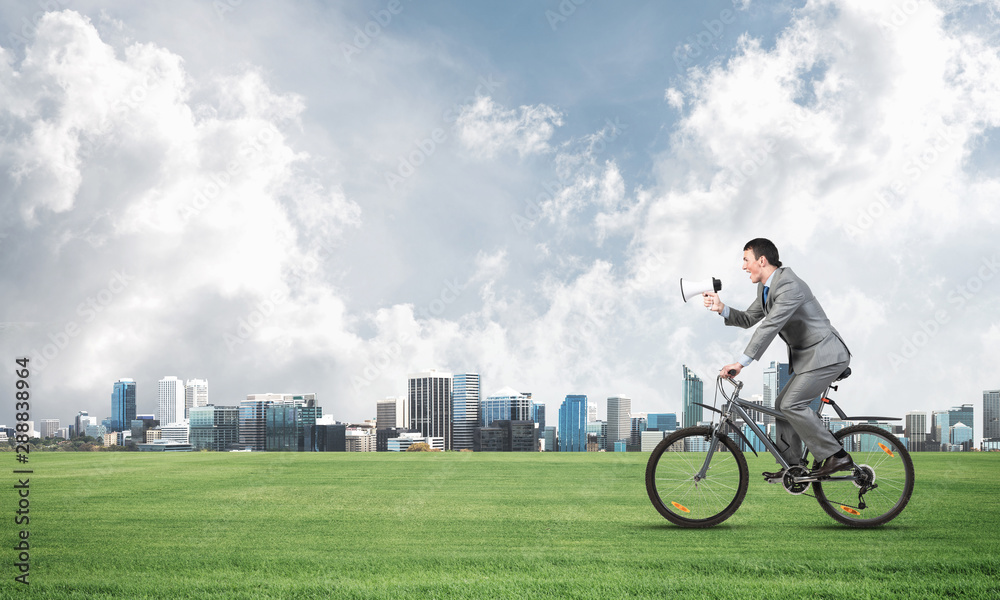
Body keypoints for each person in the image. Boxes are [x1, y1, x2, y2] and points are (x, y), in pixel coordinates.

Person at [702, 238, 853, 479]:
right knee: (782, 407)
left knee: (791, 404)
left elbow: (770, 325)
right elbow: (749, 319)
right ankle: (792, 465)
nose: (743, 267)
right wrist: (722, 308)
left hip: (826, 355)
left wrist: (741, 363)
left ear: (761, 261)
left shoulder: (789, 285)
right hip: (809, 359)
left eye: (745, 260)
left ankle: (837, 455)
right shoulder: (767, 288)